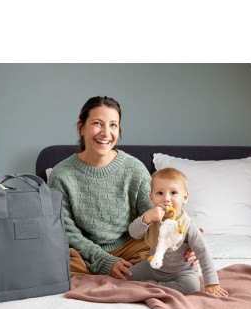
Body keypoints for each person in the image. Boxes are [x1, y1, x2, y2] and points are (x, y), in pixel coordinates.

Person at [47, 96, 198, 279]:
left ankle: (129, 273)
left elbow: (157, 218)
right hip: (83, 252)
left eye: (113, 125)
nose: (106, 133)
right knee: (53, 263)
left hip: (130, 245)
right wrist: (103, 261)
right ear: (81, 128)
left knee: (161, 258)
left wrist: (186, 240)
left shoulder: (133, 169)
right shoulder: (60, 175)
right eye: (97, 123)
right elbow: (67, 231)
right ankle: (114, 274)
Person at [128, 167, 228, 296]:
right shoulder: (152, 218)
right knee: (127, 275)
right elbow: (134, 233)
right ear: (151, 197)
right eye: (160, 193)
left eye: (173, 193)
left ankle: (152, 285)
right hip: (153, 267)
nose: (166, 198)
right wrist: (146, 218)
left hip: (182, 272)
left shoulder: (188, 225)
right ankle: (153, 284)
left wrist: (211, 283)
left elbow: (203, 253)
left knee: (191, 287)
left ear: (185, 197)